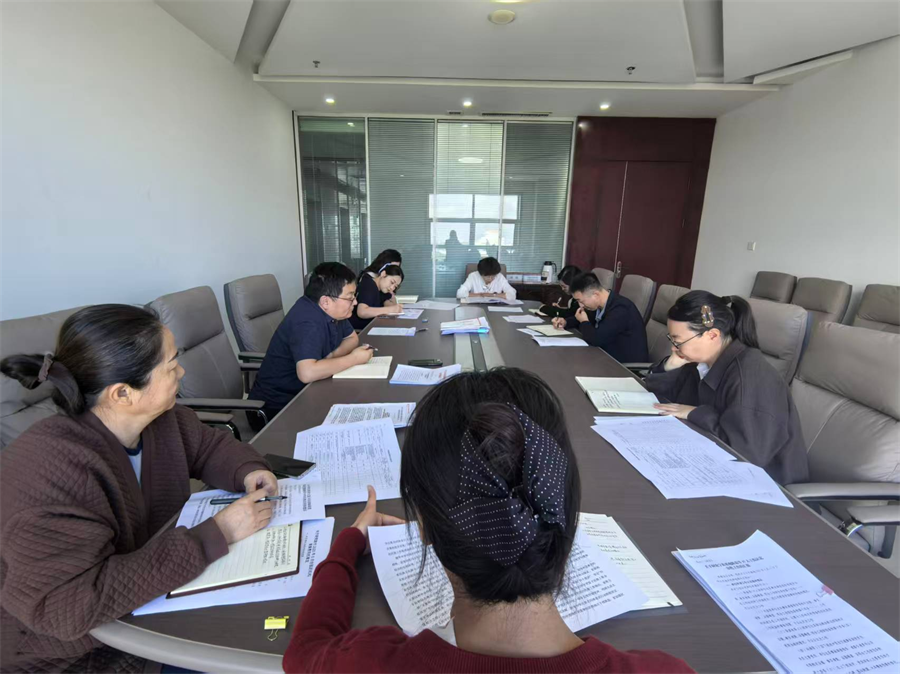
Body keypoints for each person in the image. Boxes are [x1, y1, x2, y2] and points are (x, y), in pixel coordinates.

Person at [283, 368, 695, 674]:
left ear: (423, 524)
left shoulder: (366, 663)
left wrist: (350, 542)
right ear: (566, 510)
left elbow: (305, 649)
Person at [0, 305, 279, 673]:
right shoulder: (50, 471)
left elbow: (209, 447)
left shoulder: (162, 420)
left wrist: (248, 470)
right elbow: (67, 608)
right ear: (122, 394)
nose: (182, 371)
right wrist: (218, 532)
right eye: (171, 364)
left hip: (156, 606)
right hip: (82, 656)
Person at [644, 291, 809, 485]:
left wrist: (695, 413)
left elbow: (747, 453)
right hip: (710, 461)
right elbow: (663, 399)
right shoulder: (700, 362)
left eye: (678, 341)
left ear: (712, 335)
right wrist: (670, 366)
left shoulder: (750, 377)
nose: (674, 348)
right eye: (672, 341)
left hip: (765, 484)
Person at [249, 262, 373, 428]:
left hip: (306, 392)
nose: (355, 302)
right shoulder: (307, 321)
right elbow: (307, 373)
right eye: (350, 297)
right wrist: (354, 359)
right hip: (277, 409)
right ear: (326, 301)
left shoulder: (334, 312)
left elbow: (352, 338)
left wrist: (331, 357)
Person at [551, 272, 649, 362]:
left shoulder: (620, 309)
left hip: (623, 366)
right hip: (605, 356)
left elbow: (596, 339)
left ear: (595, 295)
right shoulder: (600, 304)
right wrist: (565, 322)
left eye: (581, 301)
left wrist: (584, 321)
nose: (580, 305)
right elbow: (585, 318)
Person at [350, 264, 405, 331]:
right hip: (359, 330)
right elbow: (362, 312)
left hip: (373, 327)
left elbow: (389, 303)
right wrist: (390, 309)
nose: (392, 288)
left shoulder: (382, 289)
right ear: (383, 274)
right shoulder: (369, 285)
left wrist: (394, 307)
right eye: (392, 282)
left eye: (395, 286)